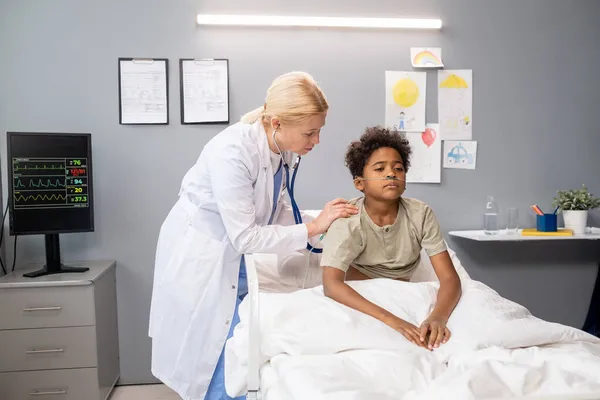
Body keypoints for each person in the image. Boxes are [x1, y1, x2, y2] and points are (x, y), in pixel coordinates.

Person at [148, 71, 358, 400]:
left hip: (237, 256)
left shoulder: (283, 149)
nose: (316, 141)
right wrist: (312, 228)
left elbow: (278, 208)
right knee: (219, 350)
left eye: (319, 131)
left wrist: (320, 222)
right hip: (208, 255)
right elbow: (245, 237)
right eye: (310, 132)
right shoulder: (232, 152)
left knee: (243, 343)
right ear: (277, 122)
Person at [320, 126, 462, 351]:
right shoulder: (347, 219)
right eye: (379, 168)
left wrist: (438, 317)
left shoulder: (421, 214)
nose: (391, 173)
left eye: (399, 168)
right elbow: (331, 285)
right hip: (362, 298)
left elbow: (450, 279)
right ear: (360, 183)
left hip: (403, 297)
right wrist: (392, 321)